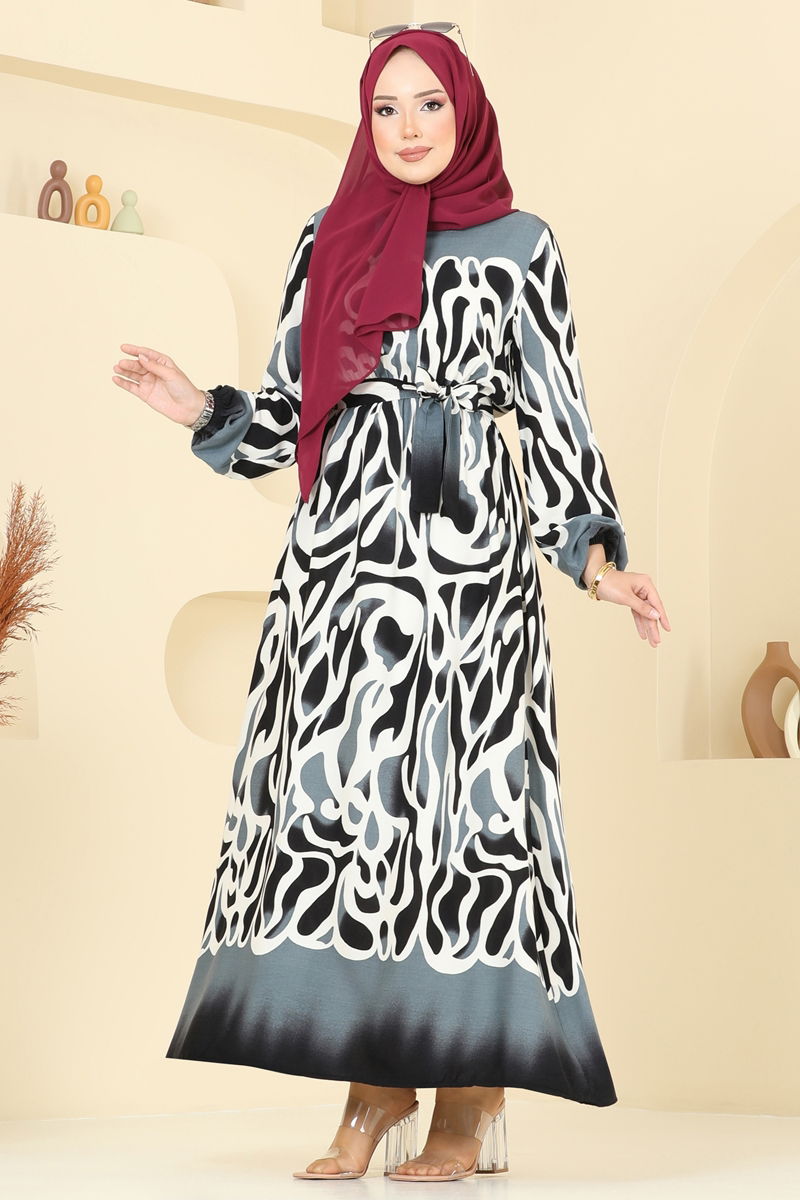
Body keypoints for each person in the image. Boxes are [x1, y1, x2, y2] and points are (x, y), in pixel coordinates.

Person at [112, 23, 670, 1185]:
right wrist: (199, 409)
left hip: (466, 562)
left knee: (470, 816)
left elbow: (553, 418)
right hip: (341, 562)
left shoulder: (520, 246)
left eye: (428, 105)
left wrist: (596, 562)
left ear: (464, 112)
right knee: (349, 813)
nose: (407, 128)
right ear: (364, 121)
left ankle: (469, 1097)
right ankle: (373, 1086)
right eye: (384, 108)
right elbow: (285, 411)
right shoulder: (327, 236)